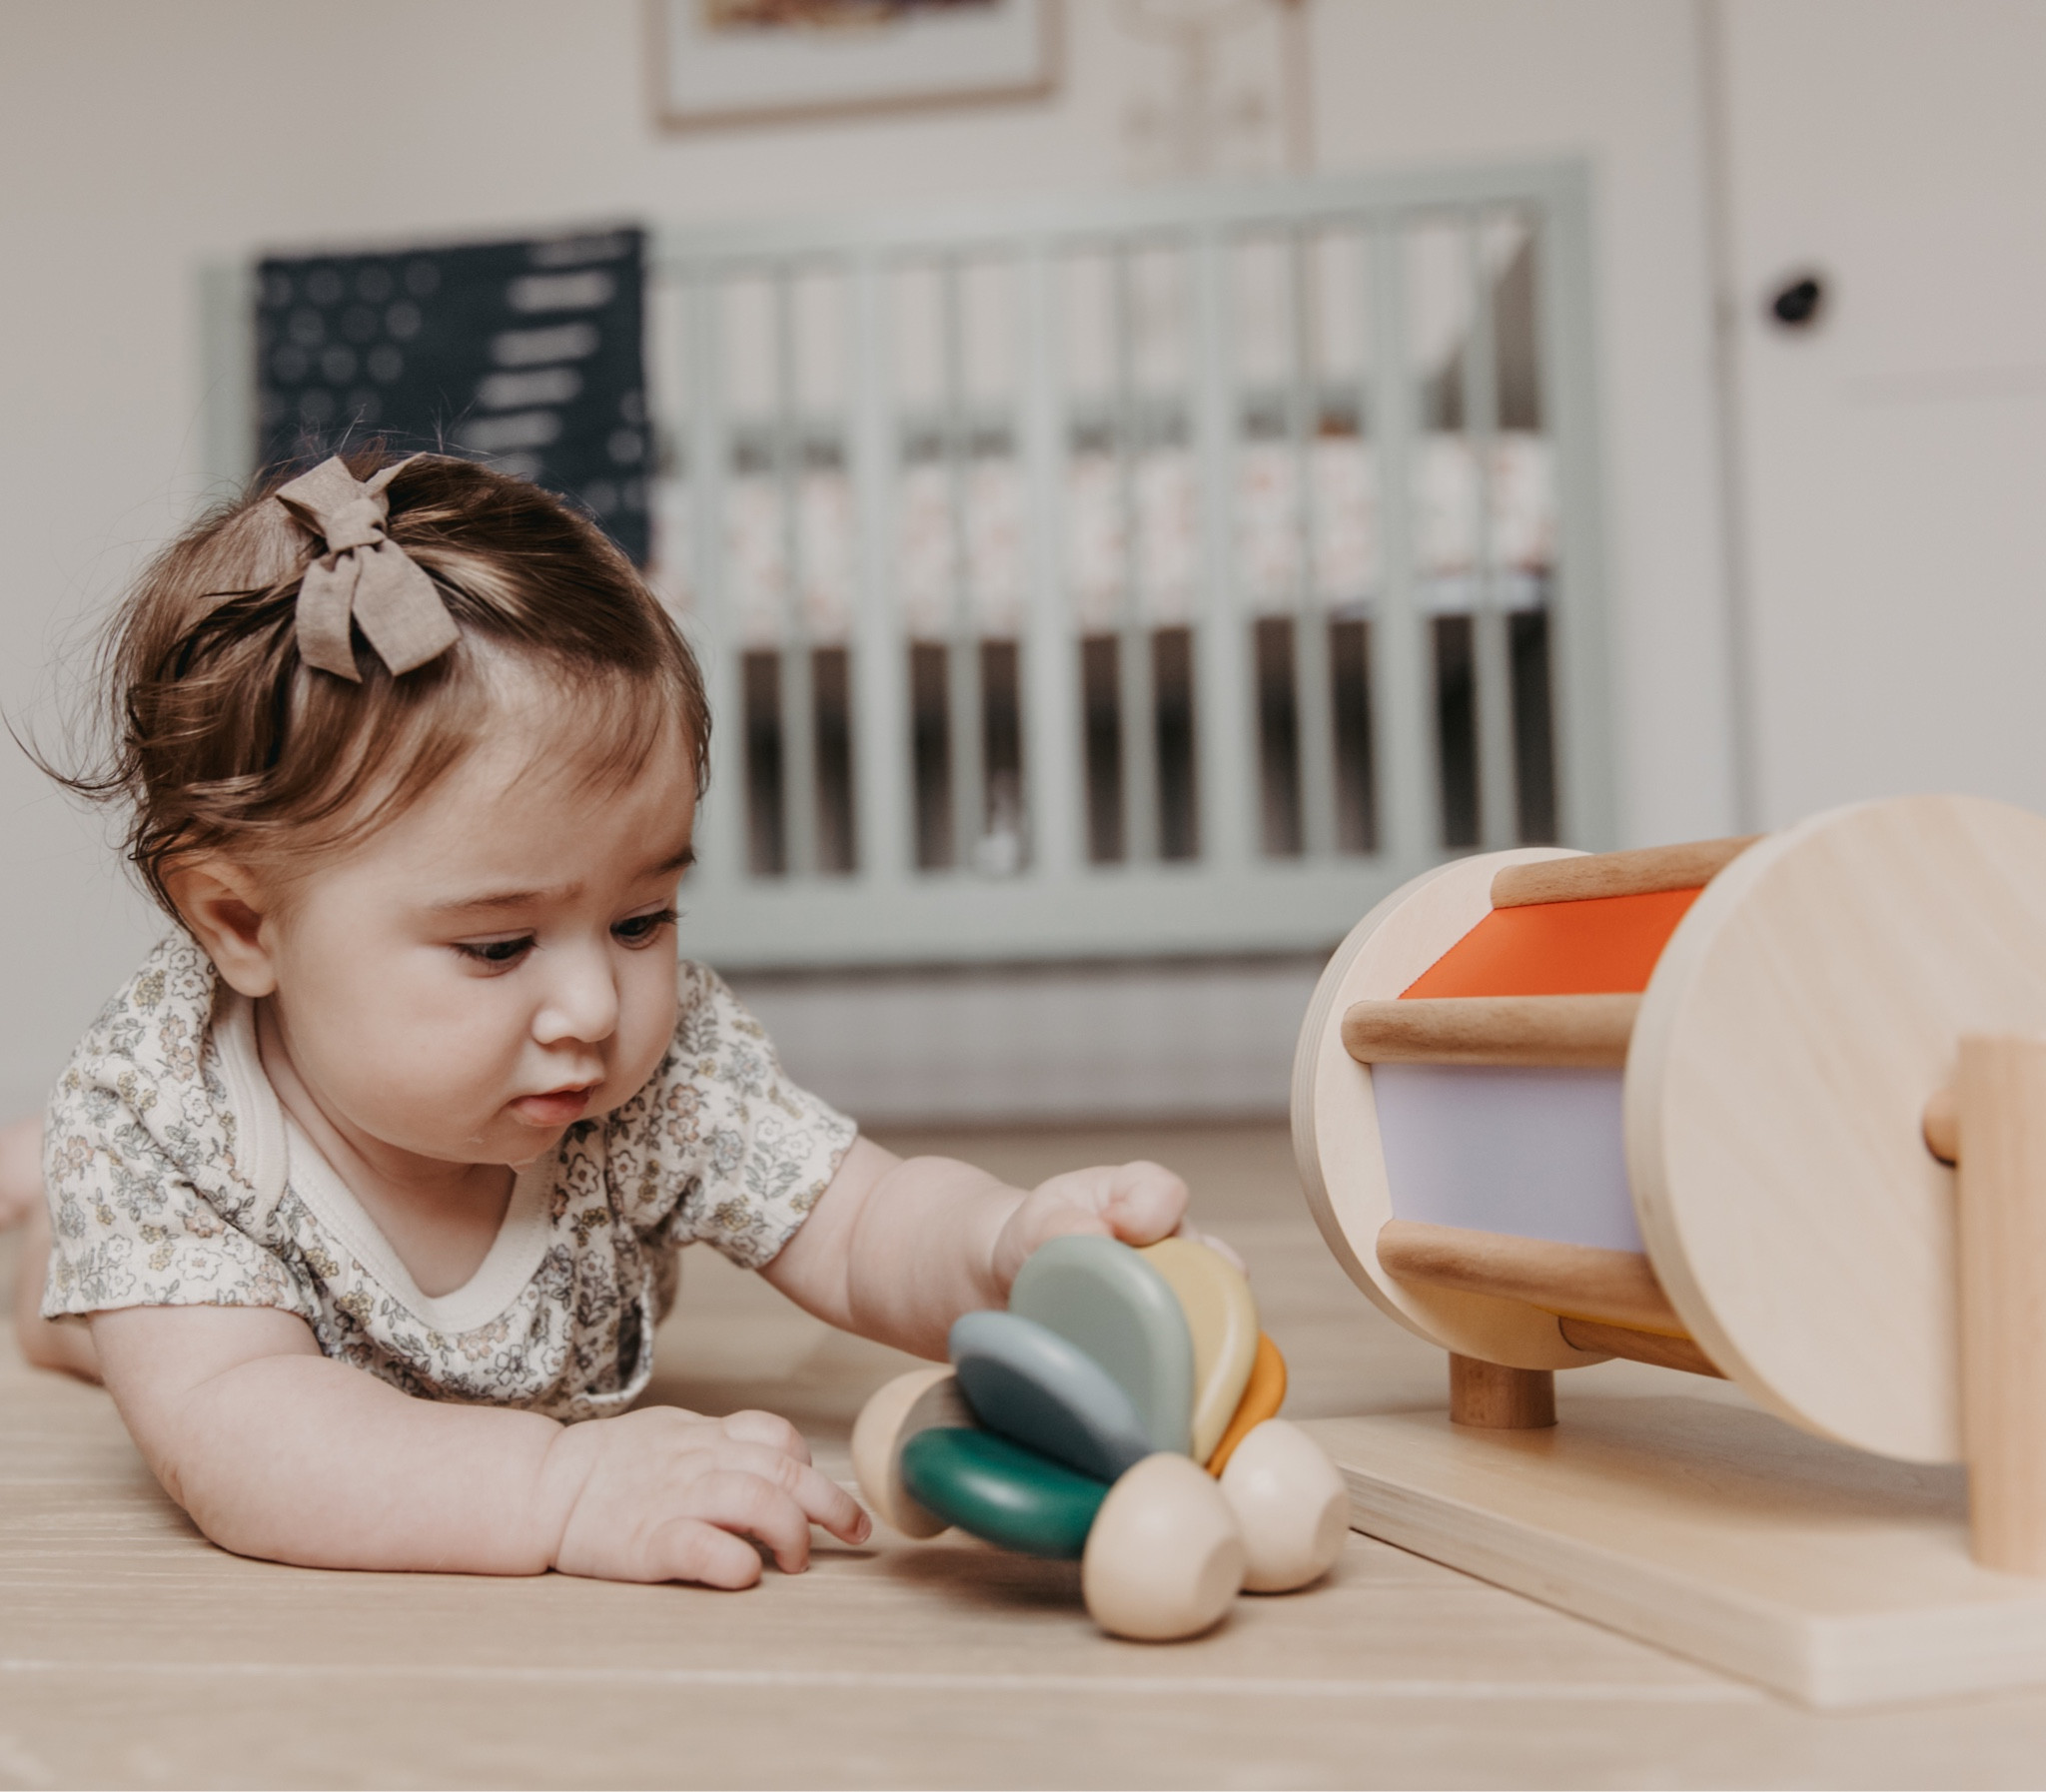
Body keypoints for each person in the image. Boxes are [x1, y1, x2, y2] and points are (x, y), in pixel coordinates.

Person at [0, 450, 1195, 1589]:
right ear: (244, 925)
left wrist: (1007, 1255)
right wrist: (559, 1487)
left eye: (641, 920)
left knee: (114, 1304)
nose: (590, 1008)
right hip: (199, 1266)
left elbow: (860, 1217)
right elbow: (244, 1442)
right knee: (91, 1315)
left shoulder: (659, 1068)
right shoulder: (161, 1120)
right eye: (496, 946)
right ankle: (43, 1204)